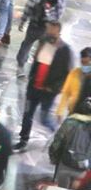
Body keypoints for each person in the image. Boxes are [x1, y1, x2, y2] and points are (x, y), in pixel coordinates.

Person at [14, 21, 73, 152]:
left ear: (58, 32)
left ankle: (59, 135)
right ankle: (23, 139)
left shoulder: (65, 50)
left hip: (48, 91)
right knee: (27, 113)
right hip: (34, 87)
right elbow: (37, 62)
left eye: (52, 31)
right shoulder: (43, 42)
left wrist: (54, 88)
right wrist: (31, 78)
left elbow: (68, 74)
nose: (49, 33)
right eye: (48, 30)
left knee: (44, 117)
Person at [16, 0, 66, 76]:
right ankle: (36, 71)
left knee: (27, 44)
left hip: (35, 24)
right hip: (49, 27)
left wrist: (23, 20)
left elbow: (29, 6)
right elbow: (60, 9)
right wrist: (54, 23)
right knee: (44, 48)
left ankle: (20, 67)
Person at [49, 98, 91, 188]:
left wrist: (53, 158)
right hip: (85, 168)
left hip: (66, 163)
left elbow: (57, 142)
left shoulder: (70, 121)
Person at [57, 47, 91, 121]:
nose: (85, 65)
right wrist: (60, 111)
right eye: (83, 62)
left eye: (87, 63)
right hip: (73, 113)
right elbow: (66, 93)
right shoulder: (74, 73)